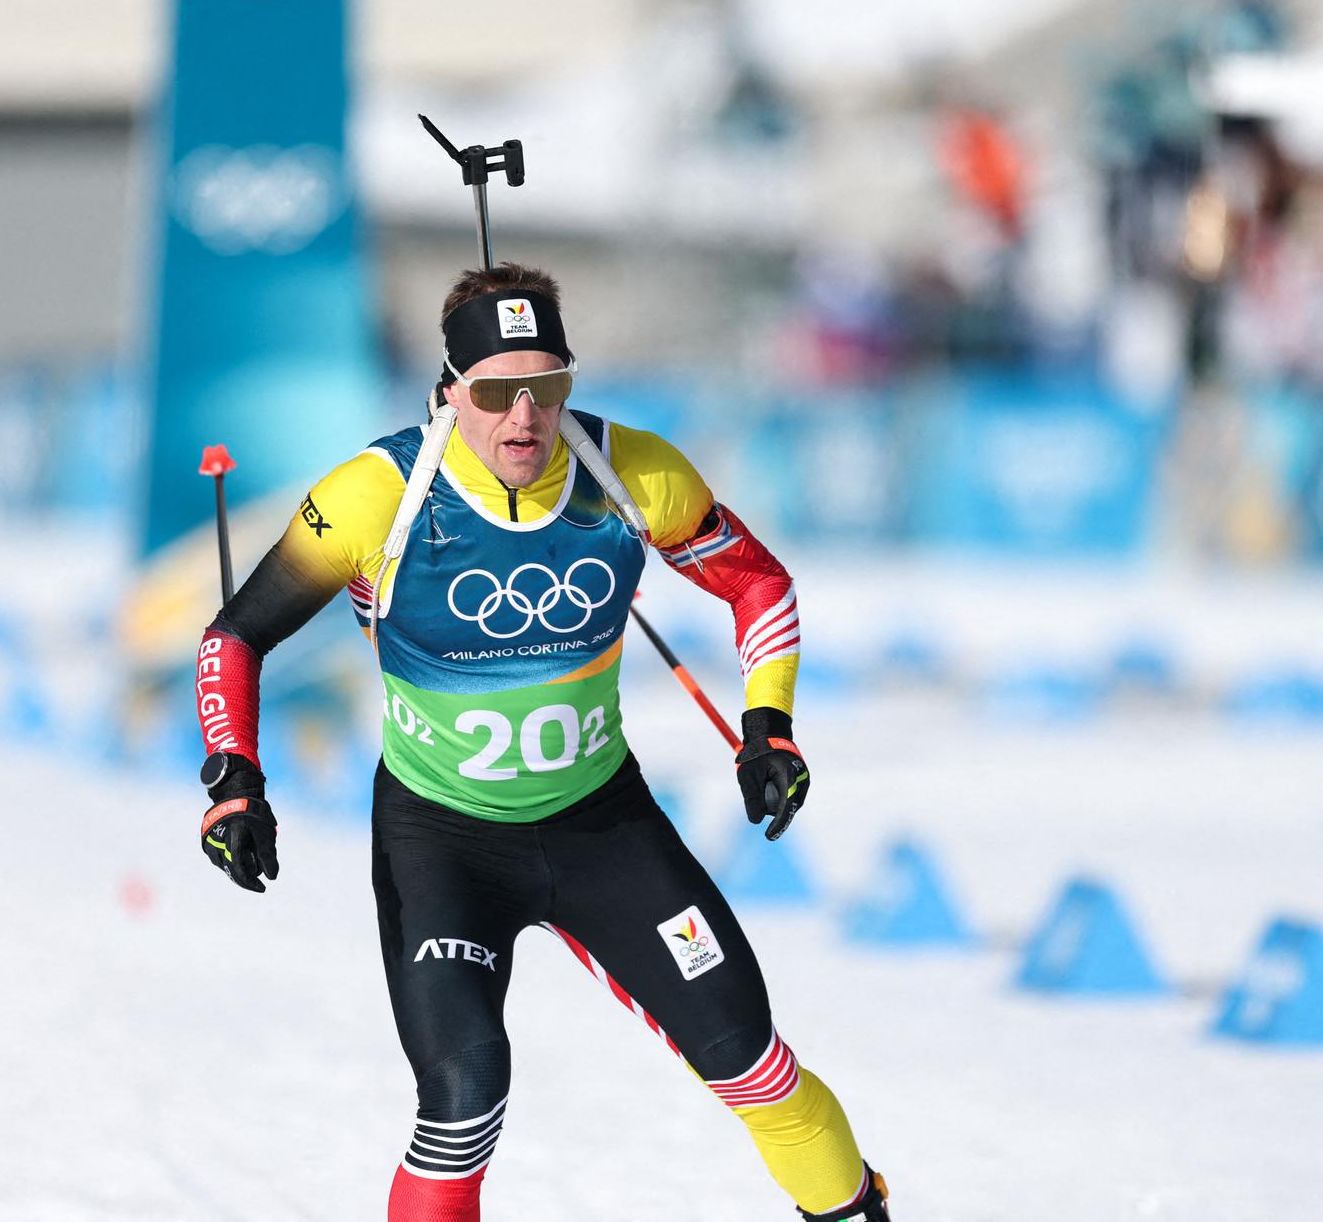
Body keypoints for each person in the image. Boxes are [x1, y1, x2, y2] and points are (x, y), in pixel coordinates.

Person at [192, 262, 894, 1221]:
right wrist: (234, 781)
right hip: (443, 841)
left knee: (752, 1064)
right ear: (449, 393)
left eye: (547, 388)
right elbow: (236, 636)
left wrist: (768, 726)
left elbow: (758, 584)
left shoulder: (630, 474)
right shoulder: (377, 494)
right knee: (464, 1099)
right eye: (493, 393)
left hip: (601, 828)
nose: (523, 418)